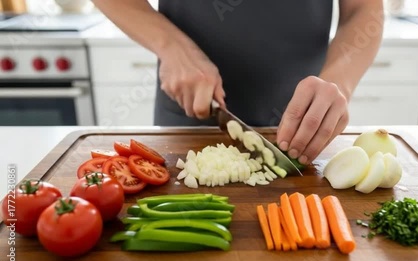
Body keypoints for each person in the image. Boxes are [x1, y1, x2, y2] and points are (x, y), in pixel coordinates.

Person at [92, 0, 384, 166]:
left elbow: (364, 9)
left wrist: (338, 83)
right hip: (190, 109)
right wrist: (171, 46)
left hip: (307, 122)